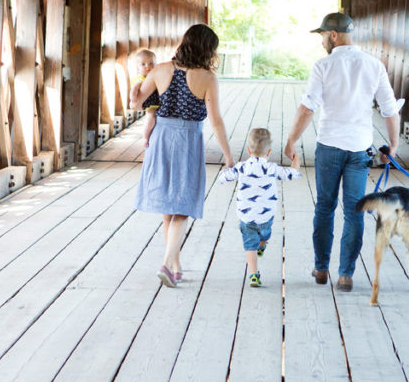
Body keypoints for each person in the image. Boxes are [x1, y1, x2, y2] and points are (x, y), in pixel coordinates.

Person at [283, 12, 403, 292]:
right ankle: (346, 274)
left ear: (333, 35)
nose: (322, 41)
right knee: (355, 212)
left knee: (324, 207)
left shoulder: (323, 65)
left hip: (329, 147)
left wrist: (291, 141)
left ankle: (321, 268)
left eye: (323, 35)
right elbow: (389, 108)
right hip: (360, 149)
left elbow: (307, 107)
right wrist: (393, 147)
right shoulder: (374, 65)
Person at [131, 24, 235, 288]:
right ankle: (167, 263)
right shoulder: (207, 78)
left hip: (161, 139)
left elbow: (138, 104)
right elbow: (217, 121)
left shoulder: (161, 69)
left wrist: (135, 89)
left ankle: (176, 267)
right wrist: (228, 156)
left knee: (169, 208)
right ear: (207, 49)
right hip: (188, 140)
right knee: (183, 206)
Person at [217, 127, 301, 288]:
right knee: (265, 234)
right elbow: (293, 174)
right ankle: (262, 244)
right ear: (269, 152)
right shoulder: (272, 168)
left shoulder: (241, 167)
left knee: (250, 245)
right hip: (265, 217)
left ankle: (254, 274)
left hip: (246, 216)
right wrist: (296, 158)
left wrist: (227, 169)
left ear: (248, 150)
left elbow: (222, 178)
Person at [128, 48, 160, 147]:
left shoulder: (155, 76)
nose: (148, 67)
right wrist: (133, 98)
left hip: (156, 102)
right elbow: (134, 88)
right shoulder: (141, 78)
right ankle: (146, 137)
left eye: (151, 63)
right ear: (137, 68)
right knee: (151, 117)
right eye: (143, 64)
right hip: (150, 103)